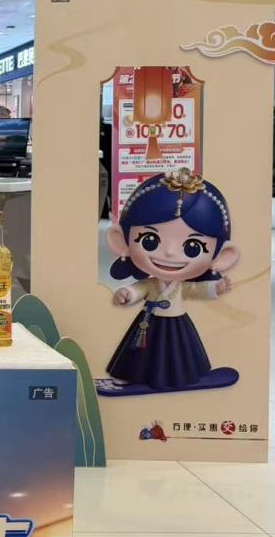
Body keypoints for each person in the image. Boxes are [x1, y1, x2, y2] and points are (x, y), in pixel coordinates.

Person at [101, 168, 240, 394]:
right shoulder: (152, 283)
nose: (170, 253)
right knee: (142, 355)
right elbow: (139, 289)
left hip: (176, 323)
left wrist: (216, 287)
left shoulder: (181, 286)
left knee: (177, 353)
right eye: (150, 240)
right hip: (148, 323)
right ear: (121, 241)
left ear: (222, 256)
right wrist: (127, 294)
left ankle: (179, 377)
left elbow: (194, 290)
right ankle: (137, 376)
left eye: (193, 247)